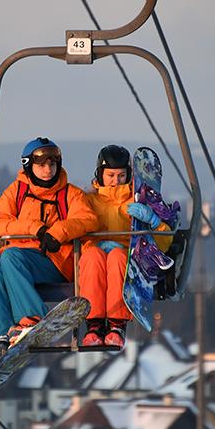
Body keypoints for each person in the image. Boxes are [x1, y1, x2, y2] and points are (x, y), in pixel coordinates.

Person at [0, 137, 99, 362]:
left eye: (52, 165)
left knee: (11, 257)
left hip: (55, 262)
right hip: (19, 262)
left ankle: (32, 318)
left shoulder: (69, 194)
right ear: (29, 166)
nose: (47, 170)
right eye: (41, 165)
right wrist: (35, 229)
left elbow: (88, 219)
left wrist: (57, 233)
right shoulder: (17, 192)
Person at [79, 144, 172, 348]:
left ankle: (116, 323)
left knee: (118, 257)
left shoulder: (138, 200)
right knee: (93, 257)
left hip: (128, 256)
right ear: (100, 174)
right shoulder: (87, 201)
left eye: (121, 176)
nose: (115, 181)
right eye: (110, 175)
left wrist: (154, 221)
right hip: (94, 254)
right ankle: (93, 324)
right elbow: (76, 225)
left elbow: (163, 244)